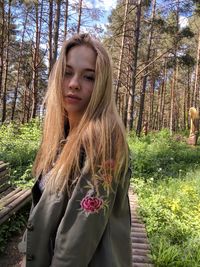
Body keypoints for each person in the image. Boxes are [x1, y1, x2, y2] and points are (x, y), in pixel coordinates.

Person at [18, 33, 132, 267]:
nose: (74, 83)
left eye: (88, 77)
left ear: (101, 84)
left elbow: (75, 244)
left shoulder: (103, 139)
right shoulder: (63, 134)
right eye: (67, 73)